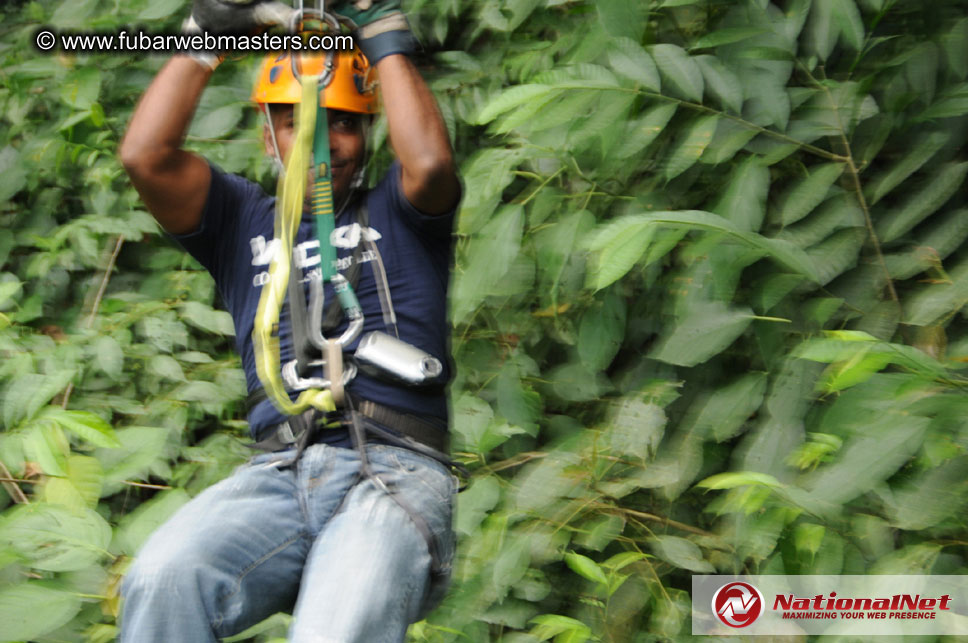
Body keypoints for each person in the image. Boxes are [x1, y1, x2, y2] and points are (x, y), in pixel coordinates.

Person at [117, 0, 461, 640]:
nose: (321, 139)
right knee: (164, 577)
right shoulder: (238, 220)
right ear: (266, 132)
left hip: (394, 470)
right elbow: (145, 155)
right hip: (278, 473)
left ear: (369, 134)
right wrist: (206, 35)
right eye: (294, 118)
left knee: (336, 624)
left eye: (344, 124)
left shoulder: (404, 211)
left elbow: (433, 165)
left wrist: (383, 35)